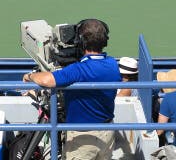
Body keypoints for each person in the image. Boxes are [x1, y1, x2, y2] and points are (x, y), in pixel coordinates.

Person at [23, 19, 119, 160]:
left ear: (81, 42)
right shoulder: (112, 64)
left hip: (83, 137)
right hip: (107, 133)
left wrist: (29, 76)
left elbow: (46, 80)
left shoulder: (78, 70)